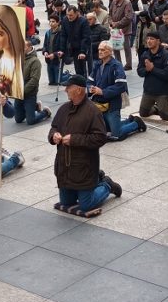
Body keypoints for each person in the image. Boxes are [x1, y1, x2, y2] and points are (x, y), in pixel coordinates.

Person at [49, 74, 120, 217]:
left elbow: (100, 138)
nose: (65, 90)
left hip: (84, 168)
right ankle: (85, 188)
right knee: (66, 203)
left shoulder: (93, 111)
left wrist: (75, 140)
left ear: (79, 90)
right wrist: (53, 136)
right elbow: (54, 127)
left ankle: (106, 184)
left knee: (86, 204)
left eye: (69, 87)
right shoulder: (63, 109)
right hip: (64, 167)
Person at [89, 41, 146, 140]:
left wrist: (103, 91)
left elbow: (121, 86)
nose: (100, 52)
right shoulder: (97, 64)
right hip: (99, 104)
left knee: (116, 134)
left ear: (110, 52)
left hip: (112, 104)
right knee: (105, 131)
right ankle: (129, 120)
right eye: (99, 49)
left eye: (103, 50)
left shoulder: (116, 65)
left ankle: (136, 123)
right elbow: (89, 81)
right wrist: (90, 88)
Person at [137, 30, 168, 121]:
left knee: (166, 116)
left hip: (162, 92)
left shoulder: (166, 55)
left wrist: (153, 69)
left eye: (152, 39)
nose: (149, 41)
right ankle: (156, 108)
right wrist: (146, 70)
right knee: (143, 113)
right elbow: (140, 71)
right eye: (147, 39)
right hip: (148, 91)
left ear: (158, 41)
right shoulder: (145, 54)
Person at [14, 38, 51, 125]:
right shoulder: (19, 58)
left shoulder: (35, 61)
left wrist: (23, 91)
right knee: (18, 119)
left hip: (29, 93)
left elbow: (34, 80)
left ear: (30, 47)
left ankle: (45, 112)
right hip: (19, 93)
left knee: (30, 121)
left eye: (24, 47)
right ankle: (35, 106)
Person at [108, 0, 134, 70]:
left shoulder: (127, 3)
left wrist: (117, 23)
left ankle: (128, 64)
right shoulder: (113, 2)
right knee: (116, 48)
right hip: (115, 29)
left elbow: (128, 17)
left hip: (124, 29)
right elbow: (109, 14)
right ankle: (118, 64)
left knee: (126, 47)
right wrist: (111, 22)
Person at [42, 15, 64, 86]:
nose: (51, 23)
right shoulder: (48, 33)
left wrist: (54, 54)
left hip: (57, 59)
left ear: (58, 23)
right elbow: (45, 45)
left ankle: (68, 76)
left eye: (53, 22)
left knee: (58, 81)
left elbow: (62, 47)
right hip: (49, 59)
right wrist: (45, 52)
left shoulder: (61, 33)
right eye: (50, 21)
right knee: (51, 82)